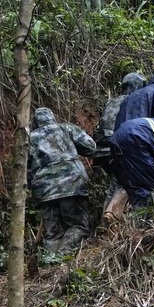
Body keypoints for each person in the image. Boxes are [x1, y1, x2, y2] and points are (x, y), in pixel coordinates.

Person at [28, 107, 96, 255]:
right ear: (52, 118)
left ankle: (50, 267)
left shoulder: (29, 138)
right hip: (73, 184)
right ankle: (62, 257)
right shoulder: (66, 129)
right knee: (78, 226)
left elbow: (24, 170)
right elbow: (90, 147)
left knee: (52, 232)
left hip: (44, 190)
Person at [92, 72, 146, 221]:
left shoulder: (112, 102)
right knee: (126, 184)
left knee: (114, 185)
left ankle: (106, 226)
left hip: (102, 149)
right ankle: (113, 221)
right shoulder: (136, 102)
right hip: (120, 149)